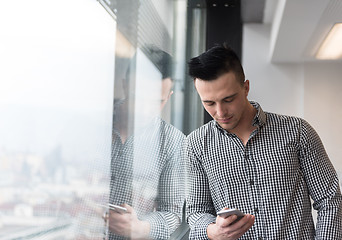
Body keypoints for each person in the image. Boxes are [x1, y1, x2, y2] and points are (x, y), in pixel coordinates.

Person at [185, 43, 342, 239]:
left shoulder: (298, 132)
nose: (220, 112)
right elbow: (197, 211)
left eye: (228, 99)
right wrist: (212, 231)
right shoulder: (196, 144)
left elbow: (329, 200)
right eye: (209, 103)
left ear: (246, 88)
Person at [106, 47, 186, 240]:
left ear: (168, 97)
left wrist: (140, 228)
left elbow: (172, 213)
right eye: (139, 97)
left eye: (156, 101)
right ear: (125, 86)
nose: (144, 110)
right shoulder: (96, 126)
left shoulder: (174, 142)